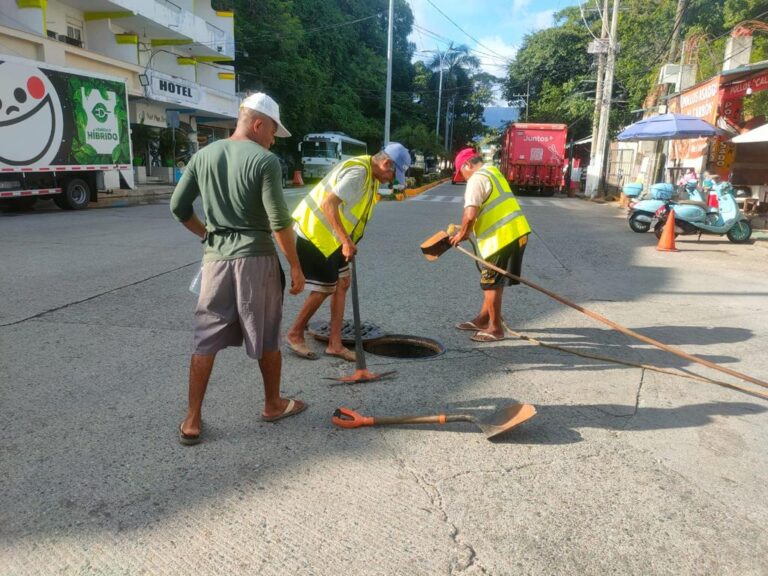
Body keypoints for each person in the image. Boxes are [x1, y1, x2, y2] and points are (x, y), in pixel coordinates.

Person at [170, 92, 307, 446]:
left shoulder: (202, 155)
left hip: (215, 261)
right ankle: (273, 404)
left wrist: (207, 236)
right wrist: (294, 265)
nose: (273, 139)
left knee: (205, 338)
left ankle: (192, 419)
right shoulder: (265, 161)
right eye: (273, 131)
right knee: (266, 333)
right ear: (258, 123)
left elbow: (177, 206)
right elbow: (278, 221)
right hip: (256, 259)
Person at [285, 143, 412, 360]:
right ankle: (294, 334)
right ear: (386, 163)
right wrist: (345, 240)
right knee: (325, 288)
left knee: (342, 283)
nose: (391, 179)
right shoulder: (358, 173)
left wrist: (347, 240)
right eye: (393, 173)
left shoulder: (370, 175)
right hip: (316, 234)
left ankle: (335, 344)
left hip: (334, 237)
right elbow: (328, 204)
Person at [449, 147, 532, 342]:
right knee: (494, 281)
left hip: (501, 237)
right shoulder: (493, 172)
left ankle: (495, 329)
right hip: (517, 232)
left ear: (468, 164)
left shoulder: (476, 179)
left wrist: (462, 233)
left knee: (490, 283)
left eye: (462, 173)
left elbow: (470, 214)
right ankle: (482, 319)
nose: (464, 178)